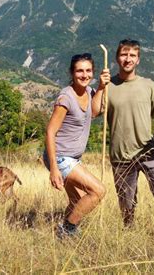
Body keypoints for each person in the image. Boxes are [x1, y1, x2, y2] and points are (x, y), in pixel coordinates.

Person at [98, 39, 154, 230]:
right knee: (126, 204)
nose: (128, 59)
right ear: (117, 58)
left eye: (132, 55)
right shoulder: (108, 86)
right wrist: (100, 87)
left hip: (148, 150)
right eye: (124, 54)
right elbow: (93, 111)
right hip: (121, 154)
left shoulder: (149, 86)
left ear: (138, 60)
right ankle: (129, 231)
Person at [43, 53, 109, 238]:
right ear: (72, 73)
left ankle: (63, 235)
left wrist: (102, 87)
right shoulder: (66, 98)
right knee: (98, 191)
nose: (84, 75)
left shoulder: (89, 92)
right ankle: (67, 230)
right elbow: (50, 132)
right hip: (60, 157)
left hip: (72, 158)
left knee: (77, 200)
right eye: (79, 71)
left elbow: (95, 112)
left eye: (88, 71)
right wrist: (54, 169)